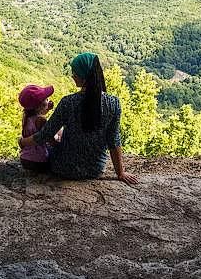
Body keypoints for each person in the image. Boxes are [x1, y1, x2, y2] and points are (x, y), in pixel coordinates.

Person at [19, 52, 138, 185]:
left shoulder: (68, 102)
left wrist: (23, 142)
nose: (72, 75)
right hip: (95, 169)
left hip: (63, 167)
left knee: (46, 149)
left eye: (75, 72)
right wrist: (120, 172)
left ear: (84, 76)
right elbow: (113, 139)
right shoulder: (113, 103)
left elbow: (45, 135)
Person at [17, 83, 56, 172]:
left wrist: (47, 109)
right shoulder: (41, 120)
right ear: (39, 106)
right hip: (39, 160)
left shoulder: (26, 117)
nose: (48, 99)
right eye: (46, 99)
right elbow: (50, 139)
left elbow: (37, 117)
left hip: (25, 159)